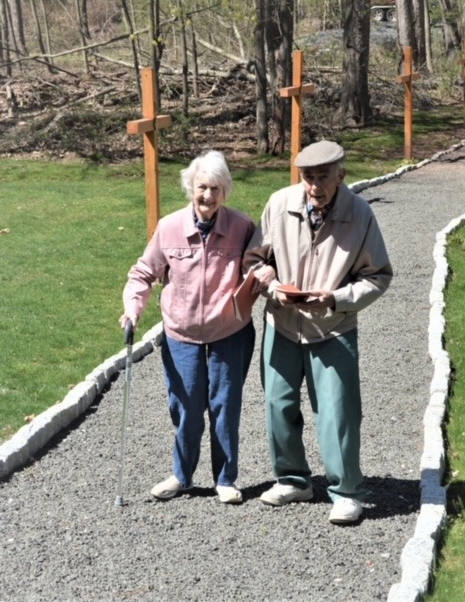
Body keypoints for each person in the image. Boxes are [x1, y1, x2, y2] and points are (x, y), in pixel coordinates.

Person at [245, 140, 393, 524]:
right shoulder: (279, 204)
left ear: (341, 176)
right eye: (308, 177)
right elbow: (255, 259)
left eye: (323, 177)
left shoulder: (359, 215)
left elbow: (378, 276)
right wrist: (270, 282)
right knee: (278, 404)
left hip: (333, 325)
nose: (314, 186)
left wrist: (336, 298)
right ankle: (294, 480)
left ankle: (346, 491)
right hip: (281, 322)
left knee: (337, 412)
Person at [120, 150, 260, 504]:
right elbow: (143, 273)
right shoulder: (169, 228)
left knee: (225, 404)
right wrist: (133, 310)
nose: (208, 196)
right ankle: (181, 475)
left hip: (229, 330)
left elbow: (260, 267)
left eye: (215, 188)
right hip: (181, 332)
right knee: (185, 404)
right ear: (190, 188)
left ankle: (225, 479)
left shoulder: (242, 227)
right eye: (202, 188)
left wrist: (263, 280)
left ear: (225, 191)